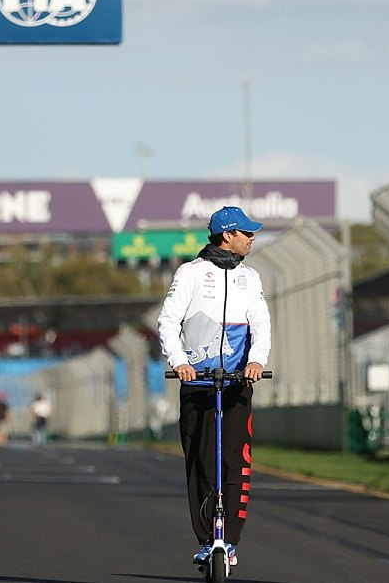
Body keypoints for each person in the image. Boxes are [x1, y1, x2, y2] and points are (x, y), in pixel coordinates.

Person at [158, 205, 270, 570]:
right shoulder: (190, 273)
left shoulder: (250, 278)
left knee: (237, 463)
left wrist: (257, 360)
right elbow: (168, 319)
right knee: (201, 463)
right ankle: (207, 538)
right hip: (197, 384)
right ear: (227, 235)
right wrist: (179, 362)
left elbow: (261, 322)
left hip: (237, 384)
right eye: (246, 233)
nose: (252, 238)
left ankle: (230, 539)